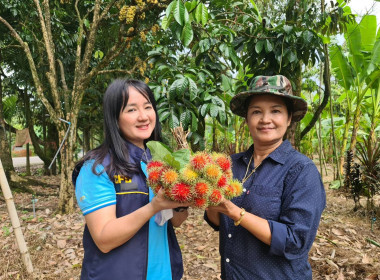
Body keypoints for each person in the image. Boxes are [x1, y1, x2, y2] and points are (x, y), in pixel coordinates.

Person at [205, 75, 326, 279]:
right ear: (247, 120)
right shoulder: (229, 164)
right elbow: (217, 221)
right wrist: (209, 198)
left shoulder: (302, 171)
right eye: (256, 112)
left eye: (276, 111)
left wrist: (234, 212)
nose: (265, 120)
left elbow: (295, 241)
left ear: (288, 119)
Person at [72, 79, 190, 280]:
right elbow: (103, 238)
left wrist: (181, 203)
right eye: (131, 110)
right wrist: (154, 206)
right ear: (114, 117)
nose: (143, 117)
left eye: (147, 107)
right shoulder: (97, 168)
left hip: (163, 273)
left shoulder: (161, 161)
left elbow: (175, 222)